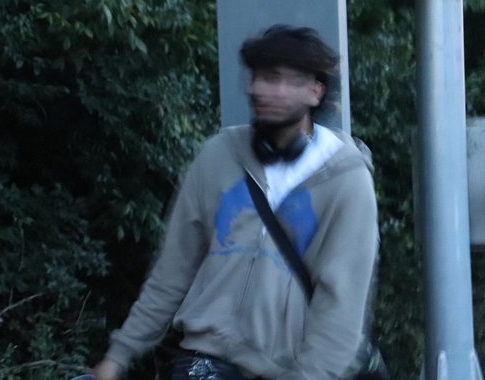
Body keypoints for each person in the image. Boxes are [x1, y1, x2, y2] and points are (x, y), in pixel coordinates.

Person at [93, 24, 379, 380]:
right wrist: (119, 356)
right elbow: (172, 272)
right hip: (205, 356)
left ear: (315, 91)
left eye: (279, 79)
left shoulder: (346, 180)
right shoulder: (218, 156)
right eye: (259, 77)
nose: (263, 90)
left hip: (292, 367)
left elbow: (342, 304)